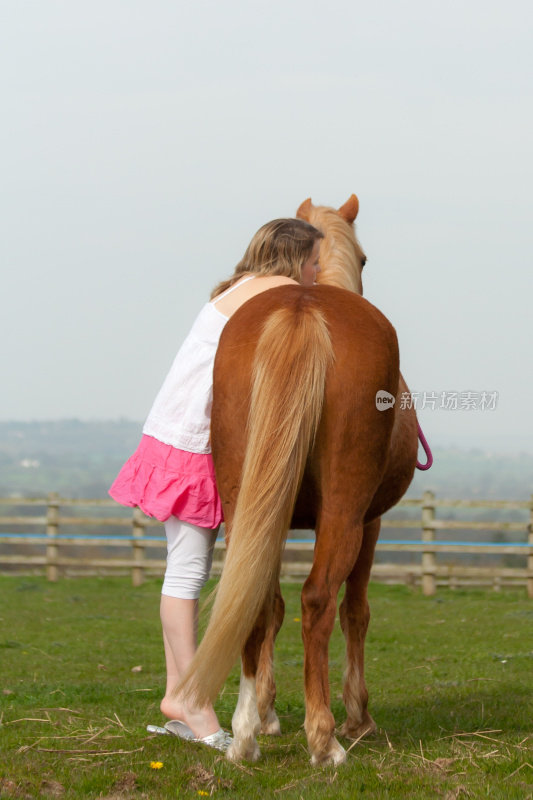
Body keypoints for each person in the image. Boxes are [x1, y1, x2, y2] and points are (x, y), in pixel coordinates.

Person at [109, 218, 323, 750]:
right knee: (187, 572)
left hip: (188, 437)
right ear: (293, 260)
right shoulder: (276, 289)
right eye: (316, 261)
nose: (319, 272)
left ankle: (176, 698)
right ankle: (195, 704)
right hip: (190, 441)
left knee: (184, 570)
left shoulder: (239, 288)